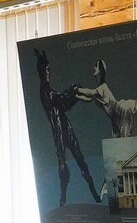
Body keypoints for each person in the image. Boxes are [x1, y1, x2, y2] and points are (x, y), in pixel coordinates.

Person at [33, 49, 102, 206]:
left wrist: (74, 93)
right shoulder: (45, 92)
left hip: (66, 129)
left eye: (49, 69)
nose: (48, 71)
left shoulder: (48, 90)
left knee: (80, 161)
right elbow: (62, 101)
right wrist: (74, 91)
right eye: (46, 69)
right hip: (59, 132)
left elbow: (63, 102)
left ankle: (92, 191)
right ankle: (65, 195)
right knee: (64, 165)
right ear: (41, 71)